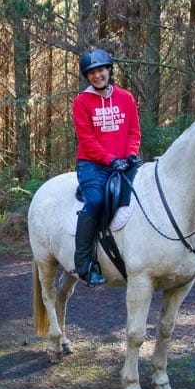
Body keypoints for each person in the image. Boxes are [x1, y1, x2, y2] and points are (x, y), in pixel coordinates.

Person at [72, 48, 142, 287]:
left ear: (109, 70)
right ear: (87, 76)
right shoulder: (82, 101)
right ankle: (85, 264)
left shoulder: (126, 98)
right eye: (91, 72)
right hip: (93, 165)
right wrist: (110, 159)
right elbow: (87, 140)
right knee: (96, 201)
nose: (97, 75)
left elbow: (133, 132)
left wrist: (131, 155)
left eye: (101, 70)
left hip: (123, 163)